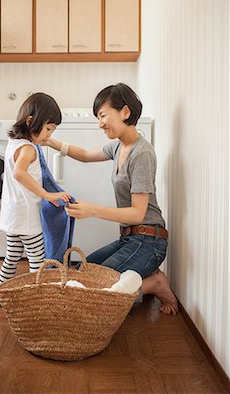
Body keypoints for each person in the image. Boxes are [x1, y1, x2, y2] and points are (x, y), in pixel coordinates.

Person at [47, 83, 178, 315]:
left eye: (103, 115)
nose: (100, 123)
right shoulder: (118, 147)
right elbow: (86, 156)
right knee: (81, 273)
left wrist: (93, 210)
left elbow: (138, 213)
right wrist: (49, 141)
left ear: (125, 112)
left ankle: (154, 284)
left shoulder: (142, 153)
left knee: (94, 289)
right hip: (129, 239)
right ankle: (147, 277)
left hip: (150, 242)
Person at [0, 93, 71, 292]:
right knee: (37, 259)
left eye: (53, 130)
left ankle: (2, 293)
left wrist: (43, 139)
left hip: (13, 216)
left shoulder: (14, 143)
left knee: (11, 257)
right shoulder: (28, 149)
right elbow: (19, 173)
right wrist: (47, 195)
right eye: (48, 129)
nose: (49, 135)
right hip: (27, 217)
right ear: (31, 121)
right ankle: (36, 298)